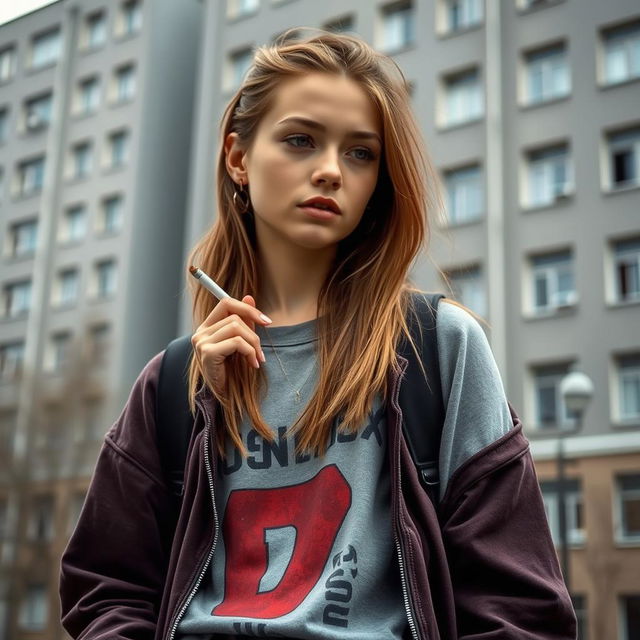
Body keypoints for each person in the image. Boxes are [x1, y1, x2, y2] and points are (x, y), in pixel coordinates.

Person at [59, 29, 576, 640]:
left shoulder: (437, 348)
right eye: (300, 140)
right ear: (237, 158)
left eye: (361, 153)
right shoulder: (173, 382)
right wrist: (206, 406)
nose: (330, 170)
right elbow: (104, 587)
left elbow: (518, 606)